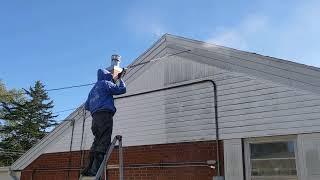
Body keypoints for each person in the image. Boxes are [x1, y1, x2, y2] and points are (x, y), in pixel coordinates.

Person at [82, 69, 126, 177]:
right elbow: (122, 89)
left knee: (96, 142)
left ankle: (89, 168)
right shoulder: (105, 83)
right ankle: (95, 170)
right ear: (106, 76)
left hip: (95, 119)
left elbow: (86, 106)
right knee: (103, 143)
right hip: (104, 116)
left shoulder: (93, 89)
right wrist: (120, 79)